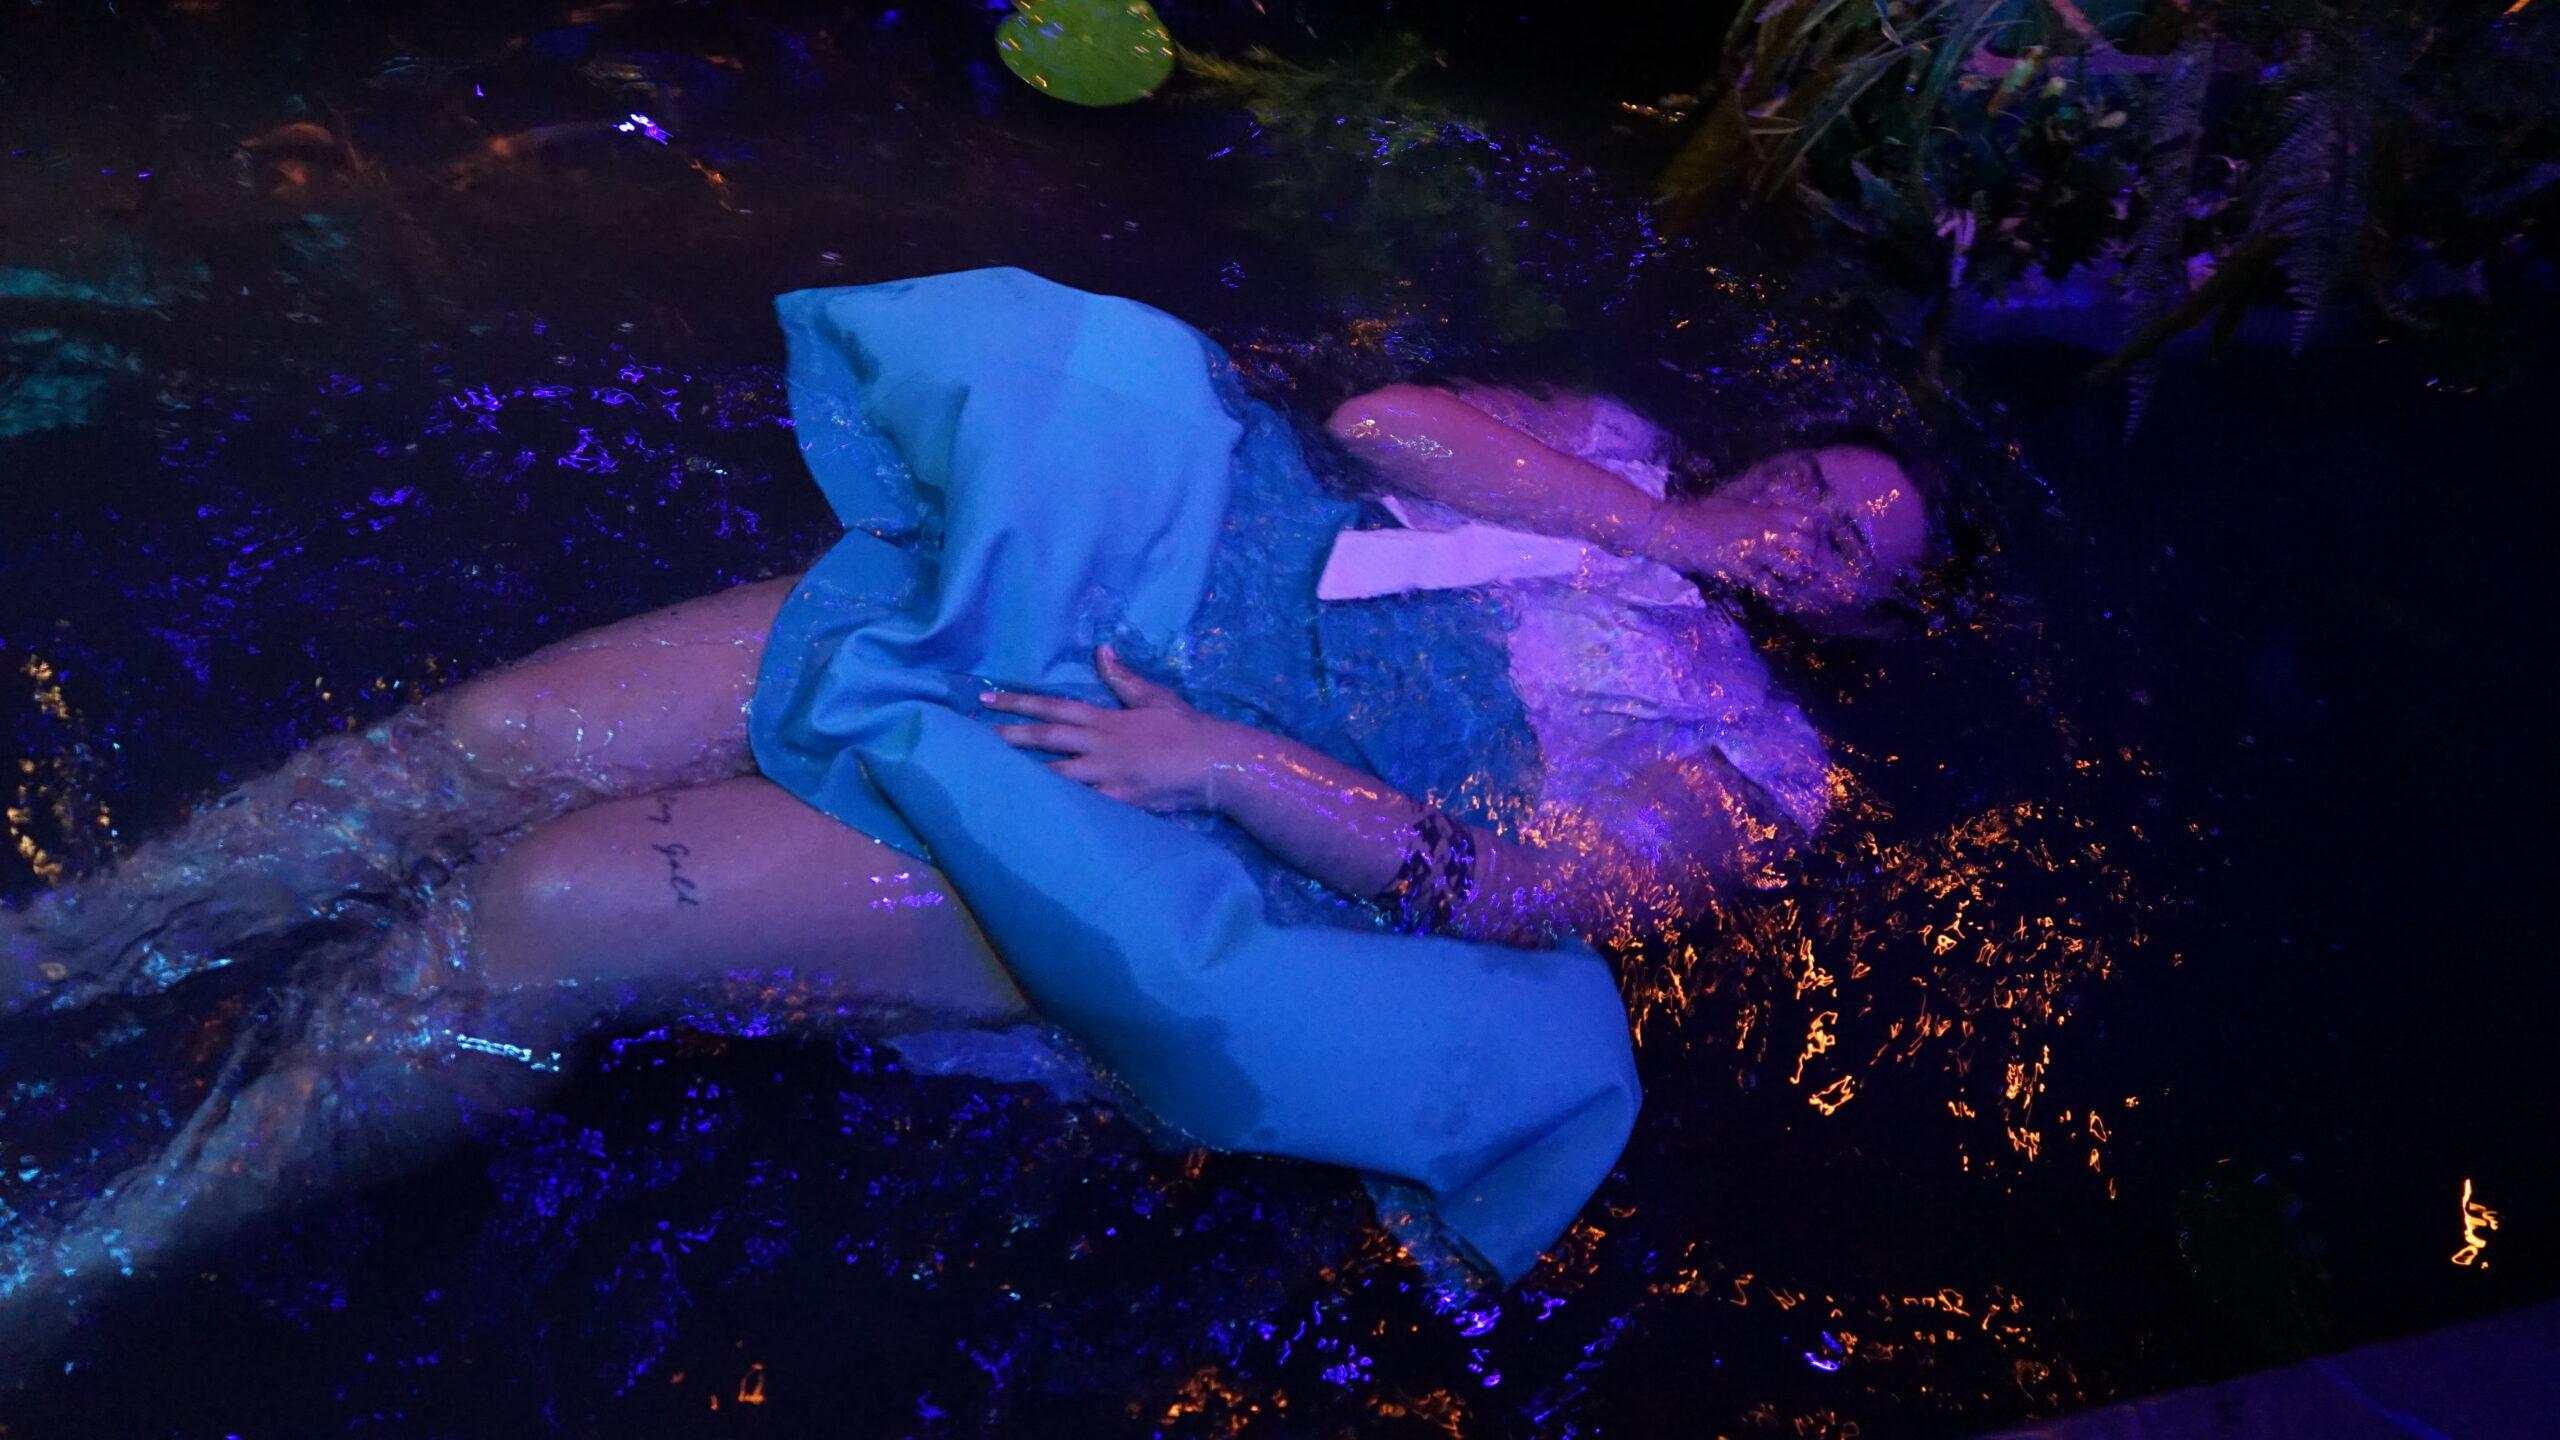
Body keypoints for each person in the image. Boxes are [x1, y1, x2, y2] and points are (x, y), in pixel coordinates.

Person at [2, 269, 1935, 1296]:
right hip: (1092, 602)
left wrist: (1227, 762)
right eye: (1809, 480)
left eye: (1851, 544)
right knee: (481, 747)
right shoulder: (1611, 455)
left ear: (1871, 622)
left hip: (1176, 812)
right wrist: (1662, 526)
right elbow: (1377, 423)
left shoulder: (1759, 760)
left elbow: (1509, 891)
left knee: (538, 910)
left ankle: (88, 1263)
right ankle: (61, 952)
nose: (1805, 521)